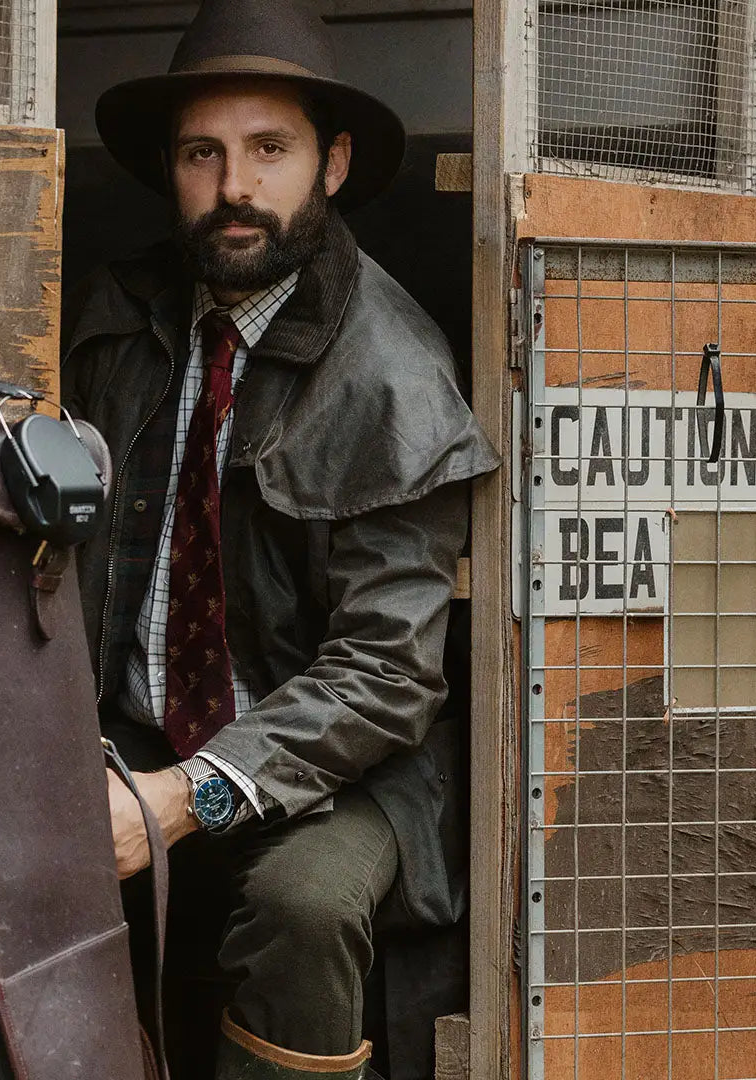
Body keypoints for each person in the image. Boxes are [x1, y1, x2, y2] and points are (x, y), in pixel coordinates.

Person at [62, 2, 499, 1077]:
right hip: (134, 724)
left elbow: (385, 676)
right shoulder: (116, 318)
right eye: (204, 154)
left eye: (270, 151)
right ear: (172, 169)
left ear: (333, 164)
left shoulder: (393, 375)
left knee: (303, 903)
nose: (236, 188)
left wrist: (178, 799)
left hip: (346, 766)